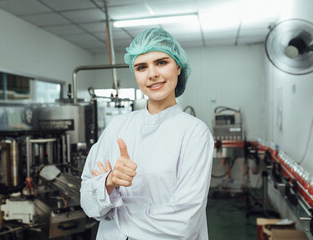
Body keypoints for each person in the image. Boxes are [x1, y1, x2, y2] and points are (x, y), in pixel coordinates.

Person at [80, 28, 214, 240]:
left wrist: (117, 209)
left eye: (161, 62)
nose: (152, 74)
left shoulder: (194, 133)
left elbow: (184, 222)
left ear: (178, 67)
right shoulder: (118, 126)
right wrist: (109, 182)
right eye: (141, 67)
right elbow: (87, 202)